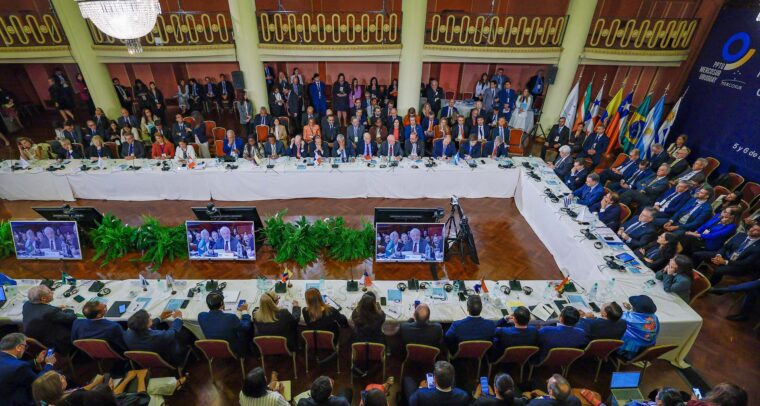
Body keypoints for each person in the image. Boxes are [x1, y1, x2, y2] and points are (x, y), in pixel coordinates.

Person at [693, 224, 760, 286]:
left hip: (738, 266)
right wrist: (719, 255)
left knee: (719, 271)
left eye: (756, 230)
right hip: (724, 256)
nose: (751, 230)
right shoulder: (741, 235)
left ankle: (706, 287)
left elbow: (745, 263)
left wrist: (725, 262)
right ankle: (691, 274)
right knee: (697, 254)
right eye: (752, 227)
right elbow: (725, 247)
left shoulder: (758, 247)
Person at [0, 332, 56, 406]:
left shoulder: (17, 366)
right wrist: (49, 364)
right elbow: (40, 383)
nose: (25, 350)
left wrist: (36, 361)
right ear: (19, 347)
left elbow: (11, 367)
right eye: (25, 347)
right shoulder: (21, 367)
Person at [22, 285, 76, 354]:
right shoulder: (50, 311)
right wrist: (68, 310)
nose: (53, 293)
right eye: (50, 292)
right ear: (43, 298)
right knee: (78, 325)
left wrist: (55, 309)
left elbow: (40, 311)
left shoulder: (27, 304)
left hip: (37, 340)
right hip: (54, 343)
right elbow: (71, 318)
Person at [197, 291, 252, 357]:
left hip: (213, 348)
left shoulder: (201, 316)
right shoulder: (231, 318)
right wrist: (244, 311)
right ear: (222, 303)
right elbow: (246, 326)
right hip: (232, 348)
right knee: (246, 331)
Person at [403, 361, 470, 406]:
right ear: (453, 379)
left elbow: (411, 402)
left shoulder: (421, 394)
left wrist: (420, 388)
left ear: (434, 380)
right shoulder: (463, 395)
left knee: (407, 380)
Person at [618, 295, 659, 359]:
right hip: (646, 351)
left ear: (636, 308)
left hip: (628, 352)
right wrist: (632, 309)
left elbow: (617, 314)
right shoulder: (654, 317)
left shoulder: (629, 318)